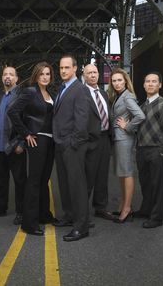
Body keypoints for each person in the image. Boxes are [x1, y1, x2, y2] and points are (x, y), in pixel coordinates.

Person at [8, 61, 55, 236]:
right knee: (34, 181)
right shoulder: (30, 92)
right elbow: (12, 112)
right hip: (37, 139)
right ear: (36, 75)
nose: (45, 77)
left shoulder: (50, 93)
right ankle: (29, 223)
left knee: (44, 180)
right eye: (42, 74)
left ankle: (44, 215)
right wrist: (26, 133)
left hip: (51, 141)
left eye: (48, 74)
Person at [52, 54, 91, 242]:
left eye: (67, 67)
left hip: (72, 146)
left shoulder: (80, 89)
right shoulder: (63, 88)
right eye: (61, 68)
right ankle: (69, 215)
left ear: (75, 68)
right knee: (65, 184)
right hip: (61, 145)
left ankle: (81, 226)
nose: (63, 71)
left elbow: (82, 120)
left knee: (77, 186)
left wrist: (72, 143)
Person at [0, 66, 26, 225]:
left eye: (11, 74)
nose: (7, 77)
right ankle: (0, 208)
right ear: (2, 78)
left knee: (19, 181)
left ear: (16, 78)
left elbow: (26, 121)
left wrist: (22, 143)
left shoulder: (22, 97)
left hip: (15, 147)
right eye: (5, 74)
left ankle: (21, 212)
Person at [107, 68, 145, 223]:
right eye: (114, 80)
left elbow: (140, 115)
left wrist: (127, 126)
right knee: (122, 173)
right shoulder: (118, 96)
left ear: (125, 81)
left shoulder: (127, 97)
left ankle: (127, 208)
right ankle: (123, 204)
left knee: (127, 172)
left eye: (119, 80)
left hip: (124, 139)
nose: (116, 83)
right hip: (119, 139)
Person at [135, 72, 163, 228]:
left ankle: (157, 217)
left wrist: (162, 150)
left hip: (157, 150)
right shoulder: (142, 106)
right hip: (142, 150)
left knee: (157, 184)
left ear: (160, 85)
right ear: (144, 85)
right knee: (145, 183)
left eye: (154, 81)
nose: (150, 84)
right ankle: (146, 209)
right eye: (147, 81)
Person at [83, 64, 114, 221]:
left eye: (95, 72)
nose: (93, 75)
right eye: (89, 73)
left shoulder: (103, 93)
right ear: (84, 75)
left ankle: (100, 207)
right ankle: (83, 212)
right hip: (90, 140)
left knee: (102, 175)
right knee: (88, 176)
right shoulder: (81, 93)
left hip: (105, 139)